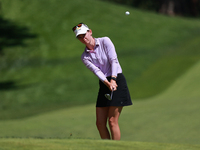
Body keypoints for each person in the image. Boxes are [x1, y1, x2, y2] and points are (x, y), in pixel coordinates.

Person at [72, 23, 132, 140]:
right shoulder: (85, 56)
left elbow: (113, 60)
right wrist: (108, 83)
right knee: (100, 124)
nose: (83, 38)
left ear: (90, 32)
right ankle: (107, 147)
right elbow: (96, 71)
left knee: (112, 121)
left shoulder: (105, 41)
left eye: (84, 34)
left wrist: (113, 79)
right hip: (104, 83)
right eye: (79, 37)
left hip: (117, 79)